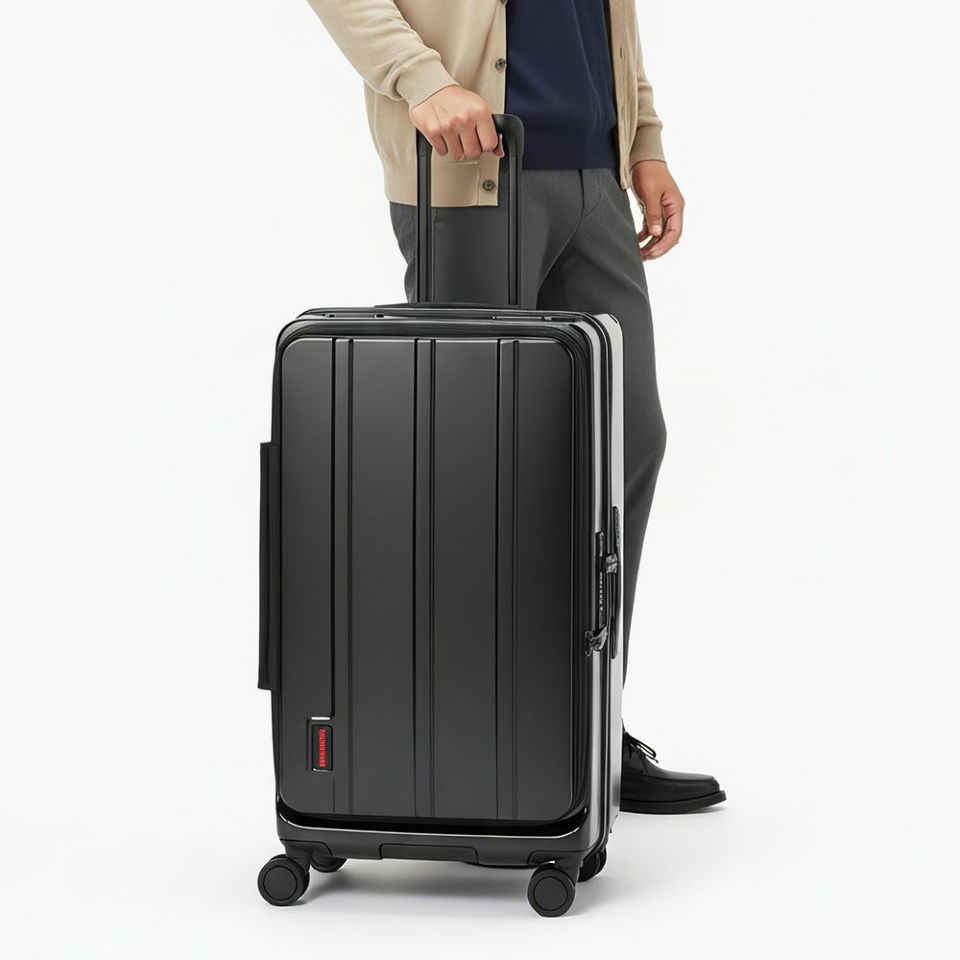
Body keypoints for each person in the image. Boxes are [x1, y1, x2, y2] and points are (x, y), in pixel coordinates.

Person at [306, 0, 725, 814]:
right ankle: (471, 744)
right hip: (471, 169)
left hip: (594, 177)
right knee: (478, 470)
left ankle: (586, 729)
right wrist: (420, 79)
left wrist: (644, 142)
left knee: (628, 440)